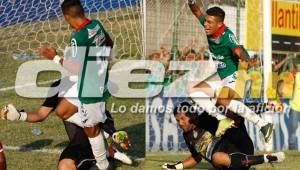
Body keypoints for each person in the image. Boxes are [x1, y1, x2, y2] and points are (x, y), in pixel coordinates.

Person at [37, 0, 114, 169]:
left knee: (91, 131)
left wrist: (53, 57)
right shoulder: (96, 24)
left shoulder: (77, 37)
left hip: (90, 87)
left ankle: (103, 165)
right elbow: (110, 43)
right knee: (63, 111)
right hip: (95, 79)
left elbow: (76, 68)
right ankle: (103, 127)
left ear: (66, 16)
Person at [187, 0, 273, 142]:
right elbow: (196, 11)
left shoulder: (227, 37)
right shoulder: (210, 26)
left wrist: (245, 59)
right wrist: (191, 2)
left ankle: (262, 124)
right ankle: (226, 120)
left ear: (219, 24)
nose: (206, 25)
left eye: (209, 23)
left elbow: (238, 50)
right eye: (206, 21)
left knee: (223, 100)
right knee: (192, 89)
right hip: (224, 79)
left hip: (237, 76)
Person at [0, 78, 132, 170]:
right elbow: (41, 114)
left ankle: (106, 155)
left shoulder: (90, 84)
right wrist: (19, 116)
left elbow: (102, 116)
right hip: (79, 142)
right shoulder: (59, 86)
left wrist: (114, 133)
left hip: (96, 132)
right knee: (64, 166)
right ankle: (108, 153)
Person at [162, 102, 285, 170]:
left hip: (241, 148)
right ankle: (266, 158)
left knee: (230, 112)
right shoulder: (187, 136)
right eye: (177, 121)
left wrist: (266, 106)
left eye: (182, 119)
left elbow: (238, 107)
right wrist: (177, 167)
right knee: (216, 158)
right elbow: (196, 157)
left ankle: (265, 158)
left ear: (192, 115)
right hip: (226, 164)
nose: (180, 123)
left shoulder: (209, 116)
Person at [288, 63, 300, 149]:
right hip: (295, 106)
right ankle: (292, 147)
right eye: (298, 66)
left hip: (295, 107)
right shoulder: (295, 75)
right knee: (293, 129)